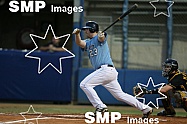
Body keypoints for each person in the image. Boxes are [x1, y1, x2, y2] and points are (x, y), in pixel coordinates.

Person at [72, 21, 153, 118]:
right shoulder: (88, 42)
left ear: (92, 29)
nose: (85, 31)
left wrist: (101, 36)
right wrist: (77, 34)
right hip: (107, 72)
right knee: (120, 95)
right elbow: (80, 43)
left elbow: (102, 38)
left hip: (105, 70)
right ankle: (145, 108)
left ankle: (100, 106)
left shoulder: (100, 38)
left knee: (84, 84)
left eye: (87, 29)